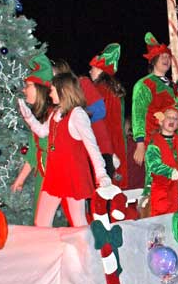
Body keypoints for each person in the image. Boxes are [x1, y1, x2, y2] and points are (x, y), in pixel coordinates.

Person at [18, 72, 112, 227]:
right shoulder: (56, 113)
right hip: (55, 175)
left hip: (73, 176)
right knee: (41, 221)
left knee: (79, 222)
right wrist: (29, 117)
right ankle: (47, 250)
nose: (50, 93)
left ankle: (87, 249)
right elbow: (42, 132)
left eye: (53, 89)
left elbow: (92, 146)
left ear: (63, 90)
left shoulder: (77, 114)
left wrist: (101, 173)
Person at [11, 54, 53, 222]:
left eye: (28, 85)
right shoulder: (37, 118)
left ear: (40, 88)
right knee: (39, 220)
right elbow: (34, 153)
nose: (23, 90)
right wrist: (20, 180)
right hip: (42, 177)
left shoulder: (54, 117)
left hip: (57, 178)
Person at [132, 32, 178, 167]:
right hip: (153, 142)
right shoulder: (145, 84)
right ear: (154, 59)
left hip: (173, 141)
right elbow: (138, 114)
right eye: (162, 56)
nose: (166, 59)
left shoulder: (173, 85)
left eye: (168, 56)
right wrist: (140, 143)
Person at [144, 104, 178, 217]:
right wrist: (173, 173)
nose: (172, 120)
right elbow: (154, 165)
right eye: (169, 117)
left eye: (175, 118)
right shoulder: (154, 144)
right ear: (161, 121)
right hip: (162, 191)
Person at [89, 43, 128, 188]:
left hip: (103, 145)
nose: (90, 71)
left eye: (92, 67)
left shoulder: (98, 89)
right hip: (116, 143)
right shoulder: (113, 89)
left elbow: (93, 119)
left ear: (100, 68)